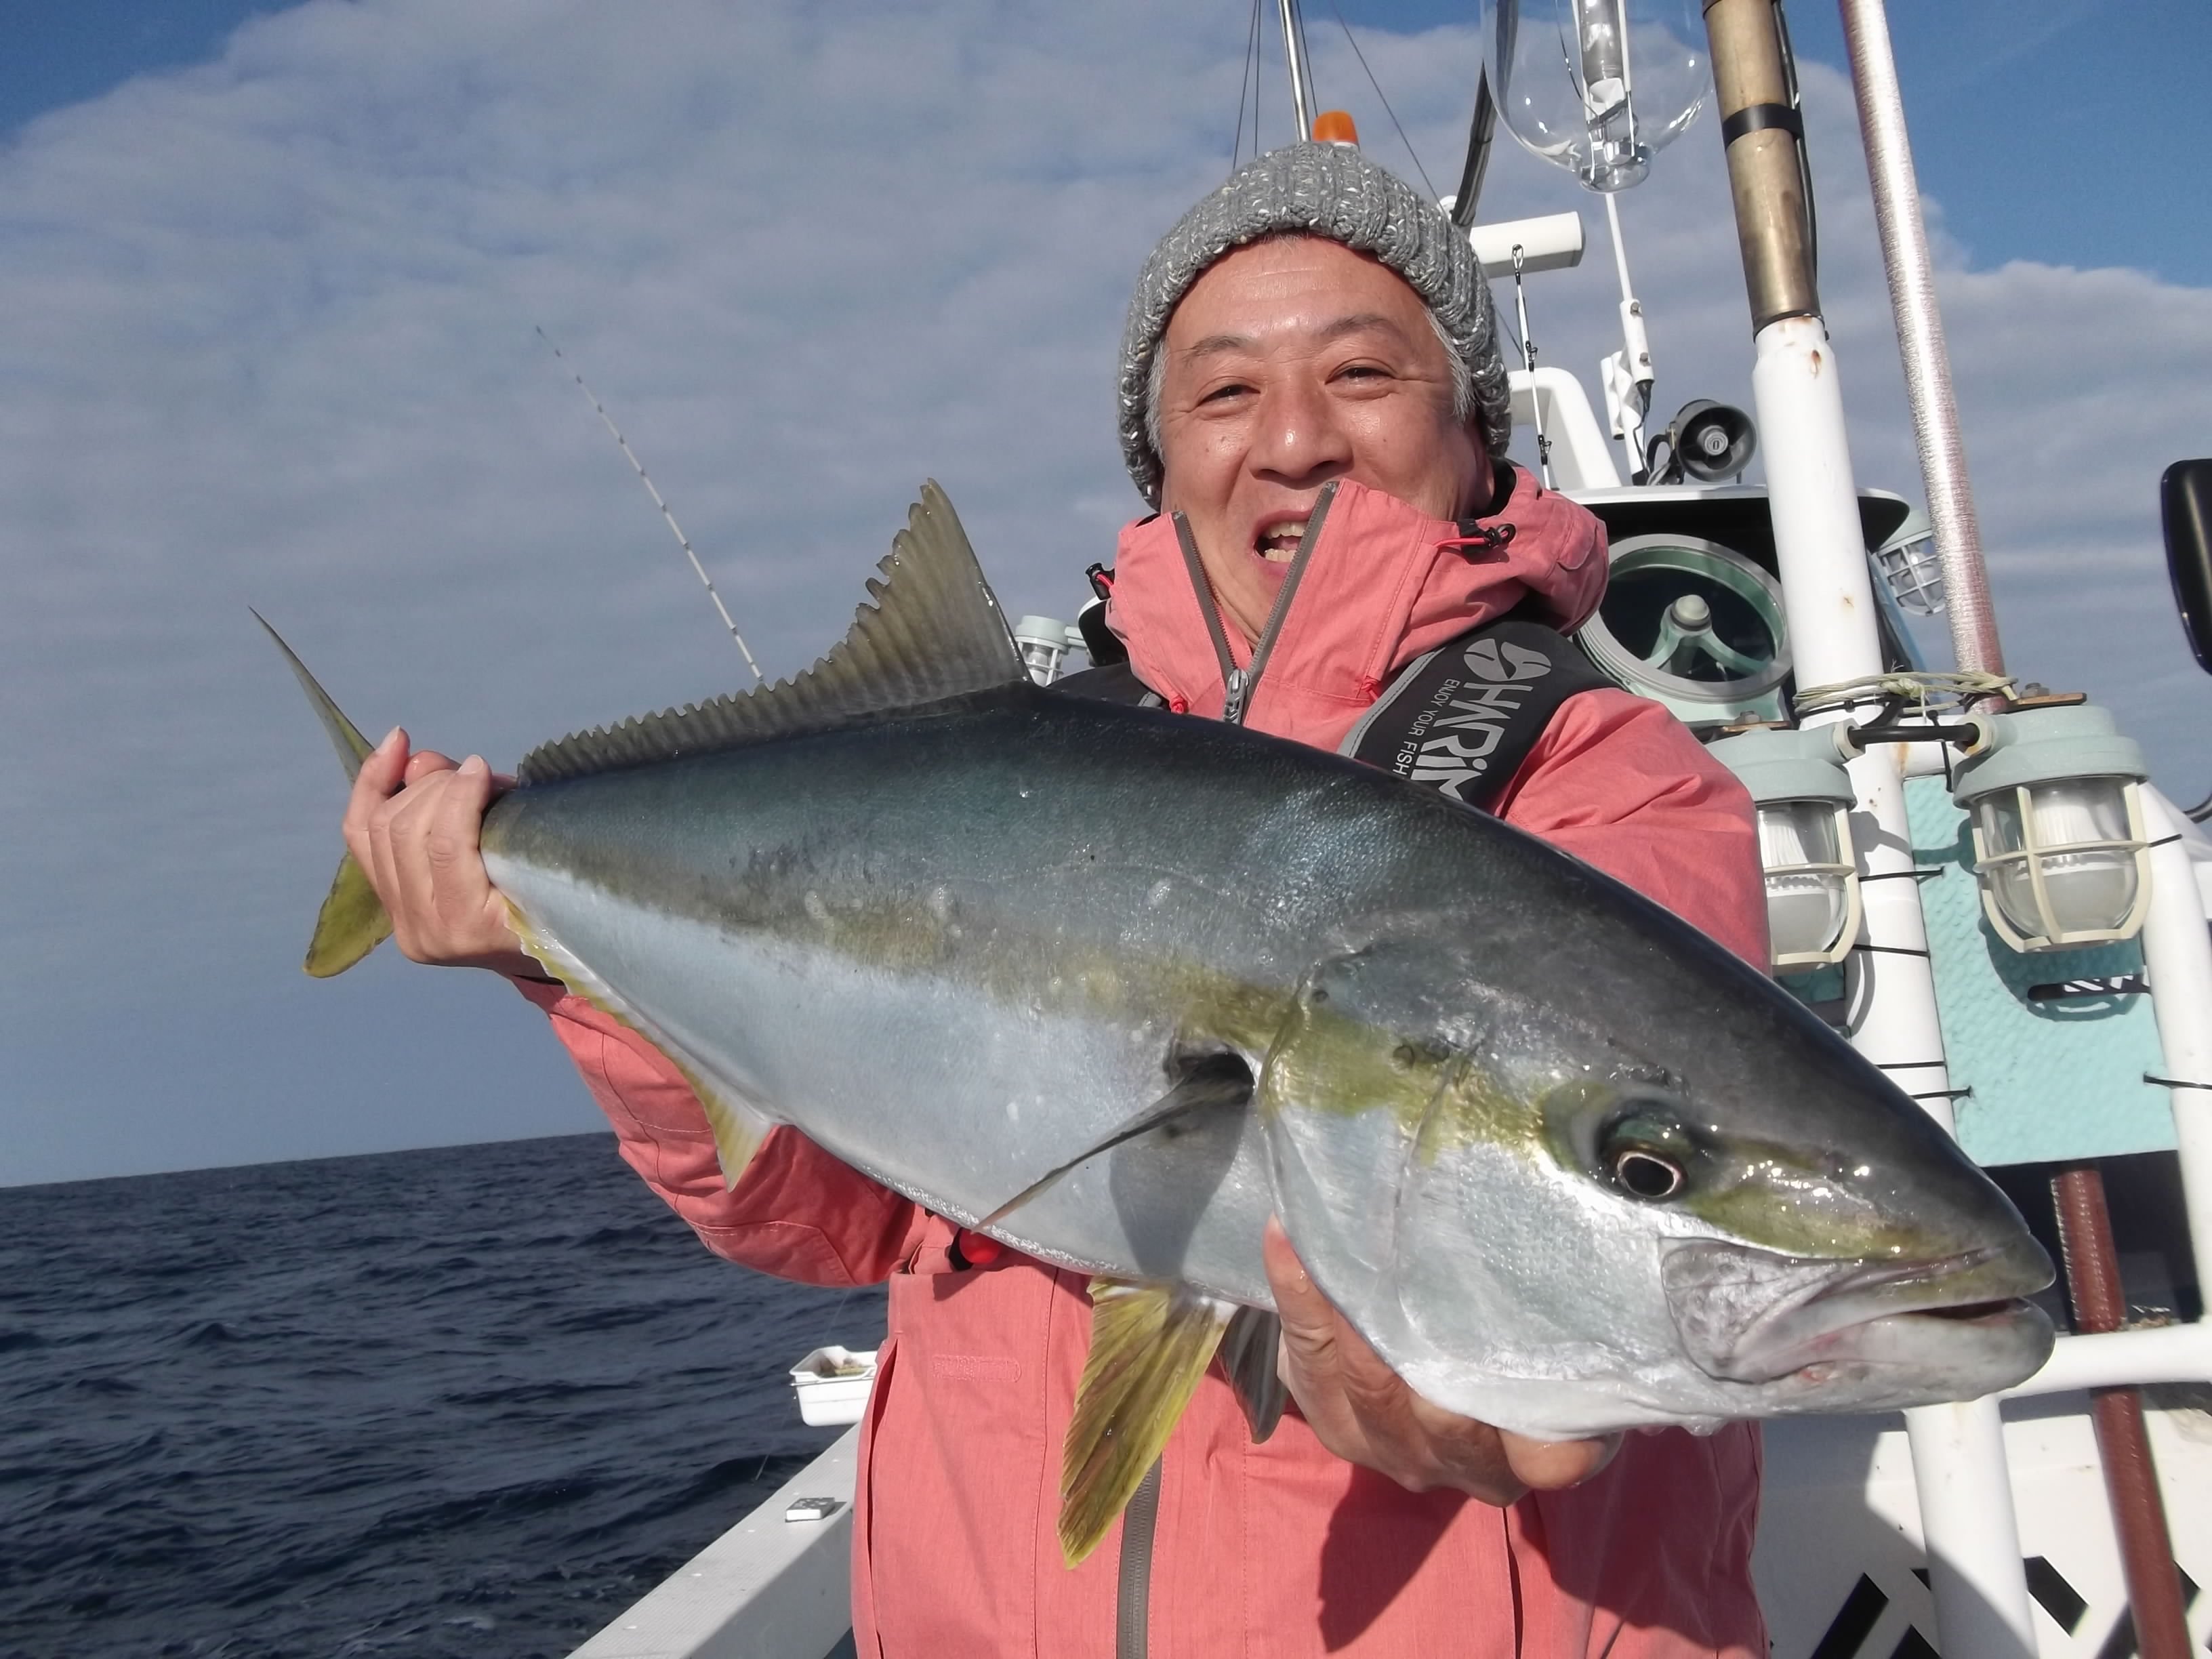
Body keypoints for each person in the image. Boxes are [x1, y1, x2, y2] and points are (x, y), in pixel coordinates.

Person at [344, 142, 1770, 1657]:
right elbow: (816, 1220)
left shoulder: (1605, 778)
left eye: (1363, 373)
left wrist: (1472, 1406)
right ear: (1159, 467)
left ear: (1477, 434)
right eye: (1223, 393)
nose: (1295, 439)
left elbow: (1625, 1178)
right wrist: (555, 961)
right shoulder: (1028, 769)